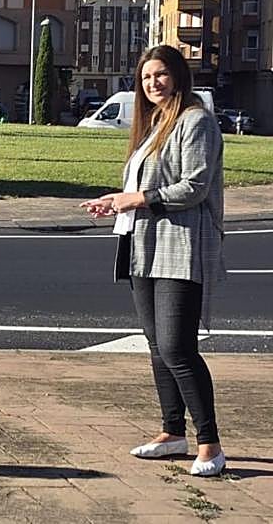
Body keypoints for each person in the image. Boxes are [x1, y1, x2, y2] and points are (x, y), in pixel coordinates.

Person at [80, 44, 226, 477]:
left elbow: (195, 187)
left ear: (178, 76)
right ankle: (172, 432)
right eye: (145, 77)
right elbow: (146, 186)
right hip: (144, 244)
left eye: (160, 74)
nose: (153, 83)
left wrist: (138, 199)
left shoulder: (196, 121)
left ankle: (210, 445)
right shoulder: (156, 123)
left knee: (178, 348)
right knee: (157, 348)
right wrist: (117, 202)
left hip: (181, 248)